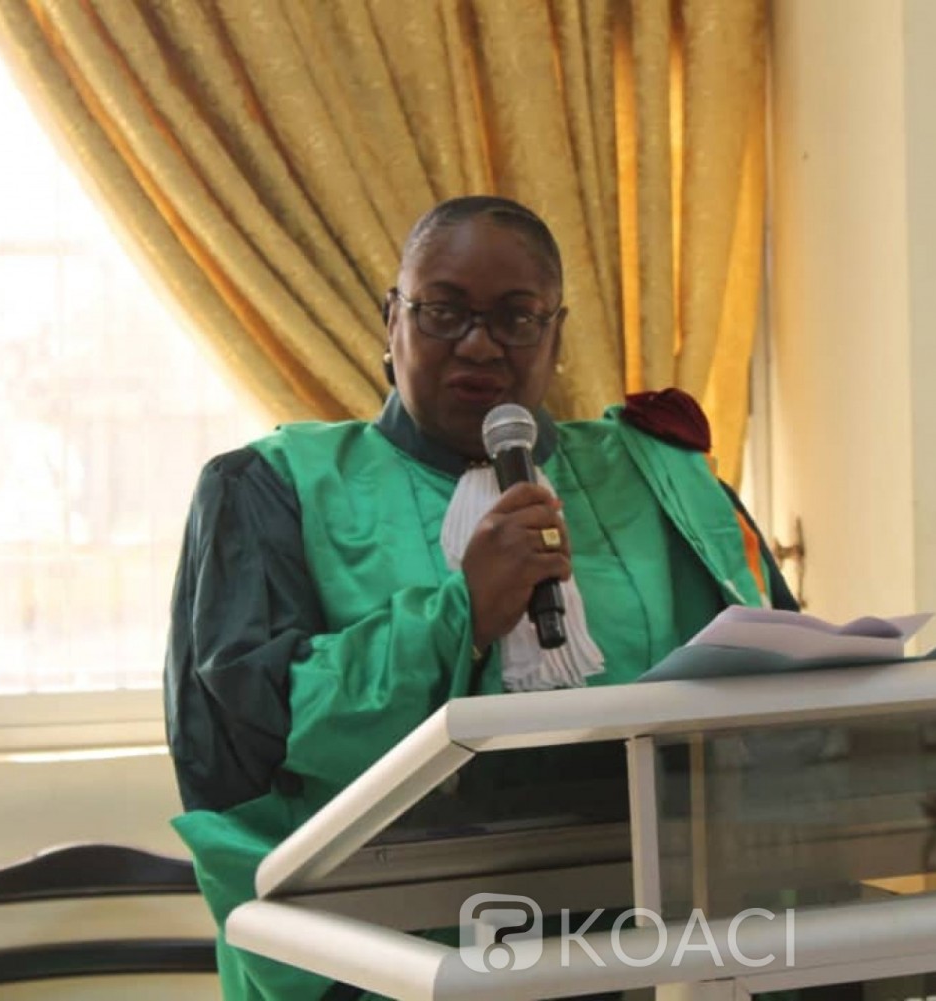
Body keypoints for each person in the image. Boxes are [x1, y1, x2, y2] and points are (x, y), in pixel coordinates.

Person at [163, 195, 797, 1001]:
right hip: (391, 956)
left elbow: (780, 677)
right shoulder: (272, 487)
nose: (479, 343)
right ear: (392, 320)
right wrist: (462, 614)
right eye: (444, 311)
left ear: (555, 335)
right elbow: (243, 743)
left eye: (516, 317)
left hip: (655, 941)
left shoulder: (658, 476)